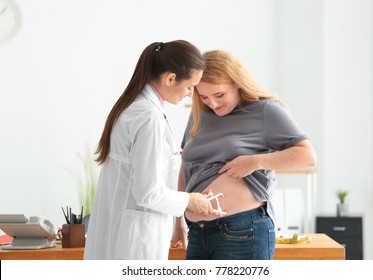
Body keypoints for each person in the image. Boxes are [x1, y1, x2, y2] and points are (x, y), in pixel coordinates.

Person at [172, 50, 317, 260]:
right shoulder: (199, 114)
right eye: (204, 96)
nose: (212, 103)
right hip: (197, 232)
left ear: (237, 83)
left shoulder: (265, 110)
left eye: (219, 95)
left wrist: (255, 162)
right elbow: (186, 168)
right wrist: (178, 223)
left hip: (243, 230)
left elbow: (308, 156)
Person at [83, 40, 217, 260]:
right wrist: (190, 201)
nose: (190, 94)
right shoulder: (148, 117)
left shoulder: (141, 109)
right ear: (170, 78)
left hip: (130, 234)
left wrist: (178, 220)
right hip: (134, 242)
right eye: (190, 87)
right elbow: (148, 193)